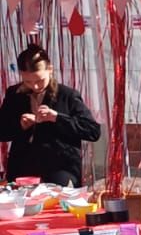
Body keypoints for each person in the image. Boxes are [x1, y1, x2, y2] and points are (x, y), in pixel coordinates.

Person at [0, 44, 101, 187]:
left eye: (40, 80)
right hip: (22, 168)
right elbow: (2, 131)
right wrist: (19, 125)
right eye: (28, 81)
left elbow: (93, 131)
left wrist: (57, 118)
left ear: (50, 70)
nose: (35, 86)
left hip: (60, 167)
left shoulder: (67, 96)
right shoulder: (14, 94)